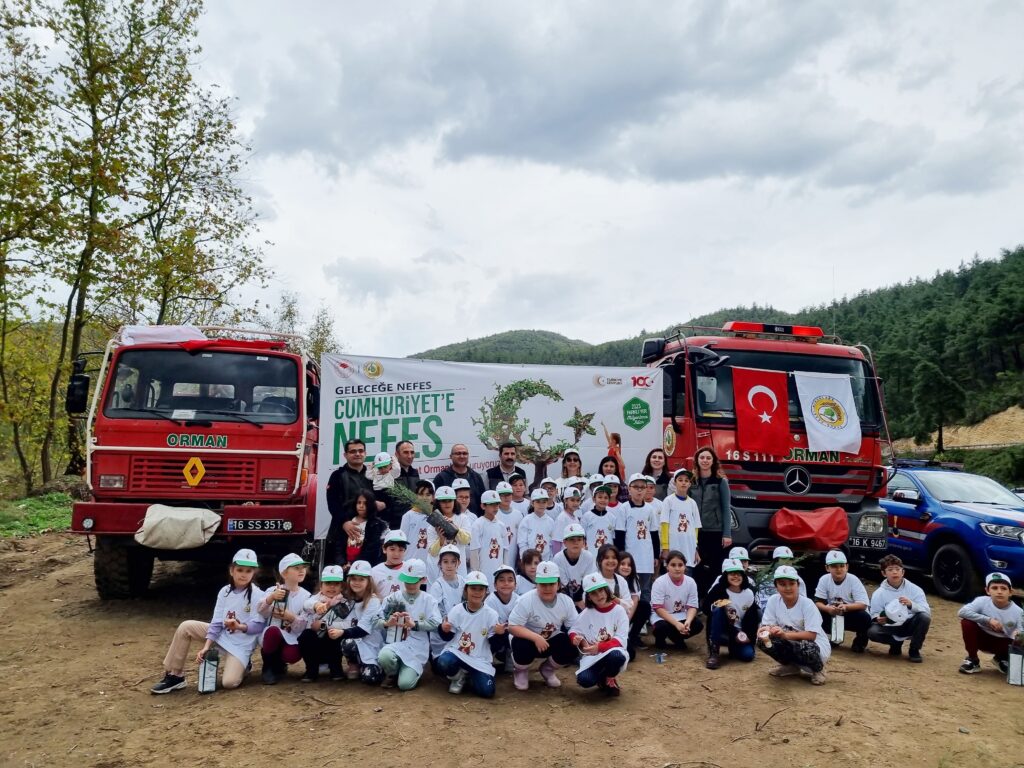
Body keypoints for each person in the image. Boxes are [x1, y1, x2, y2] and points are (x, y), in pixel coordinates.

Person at [151, 548, 266, 694]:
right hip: (222, 636)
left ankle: (244, 665)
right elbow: (216, 622)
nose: (243, 574)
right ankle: (175, 675)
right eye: (240, 570)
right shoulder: (225, 591)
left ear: (254, 573)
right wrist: (206, 647)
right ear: (232, 570)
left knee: (229, 683)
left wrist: (240, 626)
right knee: (186, 627)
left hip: (240, 645)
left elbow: (259, 626)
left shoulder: (258, 595)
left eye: (248, 571)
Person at [508, 561, 580, 690]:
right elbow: (513, 626)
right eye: (543, 584)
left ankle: (548, 669)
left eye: (551, 584)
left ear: (558, 585)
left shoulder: (566, 602)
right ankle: (520, 670)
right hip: (529, 640)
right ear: (536, 584)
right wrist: (536, 638)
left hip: (550, 640)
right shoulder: (526, 600)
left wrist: (576, 638)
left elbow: (574, 626)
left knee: (571, 644)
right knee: (520, 644)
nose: (547, 588)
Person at [374, 559, 442, 690]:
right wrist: (388, 623)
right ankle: (392, 673)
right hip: (396, 642)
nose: (410, 585)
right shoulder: (393, 598)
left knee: (405, 685)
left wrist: (415, 625)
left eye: (414, 581)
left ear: (423, 580)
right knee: (385, 656)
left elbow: (436, 624)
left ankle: (408, 670)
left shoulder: (428, 600)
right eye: (407, 580)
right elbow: (375, 621)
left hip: (417, 647)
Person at [757, 565, 830, 685]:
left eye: (791, 583)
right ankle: (790, 666)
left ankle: (818, 669)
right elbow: (767, 625)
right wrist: (765, 630)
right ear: (776, 586)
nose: (788, 588)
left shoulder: (807, 604)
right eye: (782, 584)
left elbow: (811, 635)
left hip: (816, 648)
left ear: (798, 585)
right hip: (790, 642)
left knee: (806, 646)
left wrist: (785, 635)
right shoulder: (773, 601)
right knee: (762, 641)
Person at [435, 571, 501, 697]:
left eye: (481, 589)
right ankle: (458, 677)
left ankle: (471, 675)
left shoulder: (491, 614)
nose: (476, 592)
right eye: (473, 588)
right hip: (458, 653)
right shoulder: (457, 610)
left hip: (479, 659)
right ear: (466, 590)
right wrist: (444, 629)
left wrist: (500, 634)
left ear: (486, 592)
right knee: (444, 662)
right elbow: (447, 637)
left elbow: (495, 646)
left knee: (487, 692)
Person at [570, 573, 631, 696]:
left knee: (617, 656)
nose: (599, 595)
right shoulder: (587, 612)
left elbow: (621, 639)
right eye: (593, 593)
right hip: (593, 656)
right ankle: (601, 678)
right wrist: (576, 639)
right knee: (584, 680)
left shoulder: (619, 611)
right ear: (588, 597)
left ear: (607, 590)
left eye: (601, 590)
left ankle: (610, 677)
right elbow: (573, 630)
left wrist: (600, 647)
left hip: (612, 652)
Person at [258, 553, 312, 684]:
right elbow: (260, 610)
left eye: (303, 567)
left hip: (292, 635)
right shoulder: (273, 590)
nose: (301, 571)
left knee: (292, 655)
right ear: (284, 573)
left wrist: (291, 617)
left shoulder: (307, 596)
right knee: (272, 631)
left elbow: (304, 624)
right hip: (273, 633)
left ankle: (280, 663)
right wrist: (271, 598)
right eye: (296, 568)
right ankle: (269, 666)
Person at [867, 555, 932, 663]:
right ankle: (895, 643)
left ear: (903, 572)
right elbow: (874, 613)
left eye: (897, 569)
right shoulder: (879, 593)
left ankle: (914, 649)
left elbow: (926, 610)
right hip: (890, 626)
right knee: (872, 632)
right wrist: (878, 618)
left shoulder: (915, 589)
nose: (895, 572)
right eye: (890, 570)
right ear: (884, 573)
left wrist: (911, 604)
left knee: (924, 617)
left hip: (909, 623)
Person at [957, 572, 1023, 675]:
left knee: (1020, 638)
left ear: (1011, 592)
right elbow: (962, 612)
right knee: (967, 622)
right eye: (995, 588)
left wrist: (1017, 634)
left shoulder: (1018, 612)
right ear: (987, 590)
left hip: (1003, 642)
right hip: (982, 638)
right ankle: (973, 659)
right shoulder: (981, 601)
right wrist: (988, 620)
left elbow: (1021, 633)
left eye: (1003, 588)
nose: (999, 592)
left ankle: (1002, 658)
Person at [333, 560, 385, 684]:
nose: (356, 583)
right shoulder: (346, 599)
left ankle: (371, 666)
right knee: (347, 642)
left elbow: (363, 630)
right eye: (353, 579)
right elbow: (337, 620)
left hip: (372, 644)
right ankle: (354, 664)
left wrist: (341, 632)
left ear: (368, 581)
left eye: (361, 579)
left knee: (371, 679)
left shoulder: (373, 601)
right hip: (355, 642)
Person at [325, 439, 375, 564]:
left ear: (365, 453)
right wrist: (344, 522)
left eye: (360, 451)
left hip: (369, 531)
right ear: (345, 455)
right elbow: (333, 503)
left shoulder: (373, 474)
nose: (357, 454)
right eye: (353, 451)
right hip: (344, 531)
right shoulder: (338, 475)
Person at [690, 447, 732, 596]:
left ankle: (714, 598)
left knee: (715, 568)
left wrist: (727, 534)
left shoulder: (721, 482)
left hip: (716, 532)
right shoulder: (691, 481)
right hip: (696, 532)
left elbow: (726, 509)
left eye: (708, 458)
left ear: (713, 461)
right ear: (697, 460)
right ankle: (699, 599)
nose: (705, 461)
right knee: (698, 567)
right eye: (702, 458)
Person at [702, 559, 759, 669]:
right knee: (718, 611)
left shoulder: (749, 593)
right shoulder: (718, 589)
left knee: (748, 655)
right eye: (732, 574)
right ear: (725, 575)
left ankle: (734, 647)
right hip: (722, 630)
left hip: (739, 631)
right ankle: (714, 652)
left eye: (739, 573)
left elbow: (753, 618)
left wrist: (749, 636)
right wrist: (716, 605)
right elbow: (705, 609)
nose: (736, 577)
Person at [297, 565, 349, 682]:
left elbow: (348, 623)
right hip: (315, 645)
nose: (332, 587)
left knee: (335, 634)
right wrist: (317, 606)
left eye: (336, 583)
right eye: (328, 583)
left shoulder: (346, 602)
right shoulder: (313, 599)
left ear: (342, 586)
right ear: (321, 586)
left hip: (333, 643)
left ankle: (336, 669)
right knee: (306, 635)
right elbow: (306, 605)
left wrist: (324, 625)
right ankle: (311, 671)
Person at [813, 550, 871, 653]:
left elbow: (863, 604)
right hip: (834, 611)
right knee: (815, 613)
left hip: (851, 612)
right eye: (834, 566)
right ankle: (836, 638)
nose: (839, 569)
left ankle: (860, 641)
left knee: (865, 618)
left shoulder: (853, 580)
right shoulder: (824, 579)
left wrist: (846, 607)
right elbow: (818, 602)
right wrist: (828, 609)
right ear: (827, 568)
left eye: (841, 566)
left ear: (847, 567)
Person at [616, 473, 661, 603]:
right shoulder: (624, 509)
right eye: (636, 487)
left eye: (642, 487)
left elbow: (653, 533)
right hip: (629, 558)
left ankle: (645, 618)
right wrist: (621, 556)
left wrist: (656, 556)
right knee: (627, 589)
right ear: (629, 489)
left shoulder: (650, 509)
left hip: (646, 557)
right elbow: (620, 535)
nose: (639, 490)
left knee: (645, 589)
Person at [651, 550, 704, 650]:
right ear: (667, 567)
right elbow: (658, 608)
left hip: (680, 614)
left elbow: (692, 606)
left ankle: (677, 638)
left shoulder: (691, 582)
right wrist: (676, 624)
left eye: (680, 565)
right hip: (661, 616)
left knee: (697, 625)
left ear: (685, 566)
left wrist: (688, 621)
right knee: (661, 628)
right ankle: (660, 640)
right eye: (673, 565)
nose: (677, 568)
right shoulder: (660, 582)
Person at [428, 544, 466, 673]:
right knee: (443, 667)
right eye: (445, 562)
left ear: (459, 563)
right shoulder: (437, 585)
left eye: (453, 561)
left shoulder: (463, 582)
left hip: (460, 630)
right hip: (443, 634)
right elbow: (437, 612)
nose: (449, 565)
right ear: (440, 564)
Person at [426, 484, 474, 581]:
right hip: (439, 569)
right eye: (443, 501)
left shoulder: (463, 518)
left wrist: (454, 528)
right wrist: (441, 539)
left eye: (450, 500)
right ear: (438, 503)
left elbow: (467, 540)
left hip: (458, 567)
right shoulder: (433, 523)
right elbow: (432, 552)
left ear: (454, 501)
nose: (447, 504)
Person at [661, 469, 701, 576]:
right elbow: (664, 525)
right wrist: (665, 547)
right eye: (680, 480)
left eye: (686, 480)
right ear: (675, 482)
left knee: (687, 578)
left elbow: (695, 528)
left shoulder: (692, 503)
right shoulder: (668, 501)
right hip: (673, 547)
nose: (683, 482)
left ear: (690, 484)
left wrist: (695, 549)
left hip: (689, 549)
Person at [552, 523, 597, 610]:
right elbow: (563, 586)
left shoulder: (588, 557)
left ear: (584, 542)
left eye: (579, 539)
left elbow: (588, 581)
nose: (575, 543)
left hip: (583, 595)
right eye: (572, 539)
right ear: (564, 542)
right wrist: (576, 602)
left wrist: (580, 601)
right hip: (564, 596)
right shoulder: (558, 558)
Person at [340, 489, 388, 567]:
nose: (361, 506)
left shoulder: (376, 524)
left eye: (365, 503)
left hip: (364, 566)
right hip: (345, 566)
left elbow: (371, 549)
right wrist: (342, 563)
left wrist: (353, 564)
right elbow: (339, 545)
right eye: (359, 502)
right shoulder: (348, 522)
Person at [617, 552, 652, 657]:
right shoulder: (612, 579)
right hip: (613, 615)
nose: (626, 567)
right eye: (622, 564)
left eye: (629, 565)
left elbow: (635, 601)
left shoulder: (634, 579)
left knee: (645, 606)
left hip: (627, 613)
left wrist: (626, 620)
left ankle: (633, 636)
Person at [470, 490, 508, 585]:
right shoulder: (478, 524)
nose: (495, 507)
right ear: (483, 506)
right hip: (483, 570)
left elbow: (505, 550)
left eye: (497, 504)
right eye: (492, 504)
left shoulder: (501, 525)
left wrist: (505, 570)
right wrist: (476, 574)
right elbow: (474, 551)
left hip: (499, 569)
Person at [486, 564, 520, 672]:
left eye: (510, 580)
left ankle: (511, 659)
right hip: (494, 635)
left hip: (511, 633)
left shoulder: (519, 600)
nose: (506, 583)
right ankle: (487, 659)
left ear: (515, 585)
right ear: (495, 585)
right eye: (501, 580)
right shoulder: (490, 601)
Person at [435, 444, 486, 514]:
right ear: (451, 456)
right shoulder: (442, 477)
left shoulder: (476, 477)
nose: (462, 456)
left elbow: (483, 502)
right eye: (458, 453)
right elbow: (436, 504)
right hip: (451, 522)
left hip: (474, 521)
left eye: (464, 453)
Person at [518, 488, 556, 561]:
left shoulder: (551, 521)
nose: (541, 505)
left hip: (546, 560)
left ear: (547, 503)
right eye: (538, 502)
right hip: (530, 561)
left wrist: (551, 560)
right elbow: (522, 543)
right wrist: (525, 560)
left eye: (544, 502)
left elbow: (552, 544)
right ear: (532, 503)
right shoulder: (526, 520)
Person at [371, 530, 409, 598]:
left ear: (405, 551)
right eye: (392, 549)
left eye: (400, 550)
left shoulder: (410, 569)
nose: (396, 554)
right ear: (384, 549)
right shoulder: (375, 571)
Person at [496, 480, 525, 566]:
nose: (506, 497)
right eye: (502, 495)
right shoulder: (494, 514)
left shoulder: (518, 515)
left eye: (508, 494)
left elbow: (521, 539)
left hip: (513, 556)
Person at [581, 483, 616, 552]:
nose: (603, 500)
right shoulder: (587, 516)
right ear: (594, 499)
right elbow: (582, 537)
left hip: (607, 556)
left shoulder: (612, 517)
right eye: (600, 497)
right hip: (591, 555)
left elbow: (613, 538)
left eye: (606, 498)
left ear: (609, 500)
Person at [552, 486, 583, 555]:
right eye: (572, 500)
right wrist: (557, 560)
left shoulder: (575, 518)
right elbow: (556, 542)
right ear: (565, 500)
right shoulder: (562, 518)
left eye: (578, 500)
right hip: (563, 557)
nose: (575, 503)